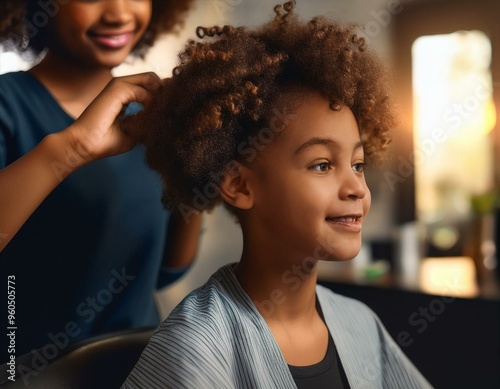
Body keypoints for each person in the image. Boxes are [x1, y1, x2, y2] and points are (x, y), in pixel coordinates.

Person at [121, 1, 433, 388]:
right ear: (239, 185)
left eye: (357, 164)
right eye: (321, 165)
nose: (356, 188)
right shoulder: (197, 345)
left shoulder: (360, 323)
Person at [0, 0, 202, 361]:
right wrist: (73, 148)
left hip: (141, 371)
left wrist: (200, 178)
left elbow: (163, 274)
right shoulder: (8, 107)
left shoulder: (152, 118)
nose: (119, 14)